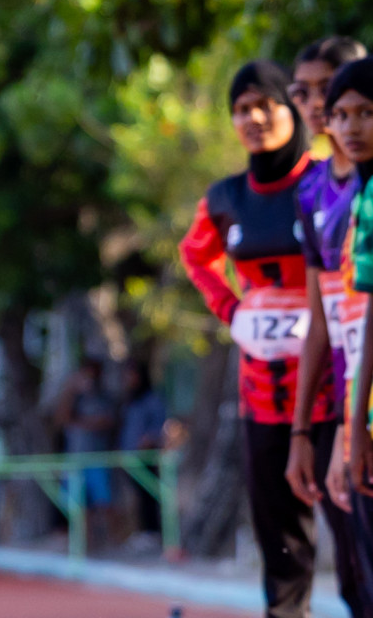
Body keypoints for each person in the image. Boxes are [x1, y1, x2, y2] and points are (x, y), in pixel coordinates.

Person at [181, 60, 332, 618]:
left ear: (289, 107)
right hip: (263, 395)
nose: (253, 118)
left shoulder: (325, 180)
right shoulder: (224, 197)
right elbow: (194, 254)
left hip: (333, 390)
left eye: (265, 104)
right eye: (241, 110)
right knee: (280, 535)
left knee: (351, 518)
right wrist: (230, 307)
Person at [283, 37, 369, 616]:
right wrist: (327, 429)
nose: (335, 117)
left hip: (358, 412)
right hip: (352, 406)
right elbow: (330, 322)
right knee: (357, 572)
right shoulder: (315, 192)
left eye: (361, 109)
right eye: (336, 110)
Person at [327, 60, 373, 602]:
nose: (352, 126)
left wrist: (355, 427)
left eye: (366, 112)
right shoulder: (359, 198)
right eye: (341, 115)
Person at [53, 358, 117, 548]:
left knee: (104, 504)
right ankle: (84, 545)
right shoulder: (74, 398)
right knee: (77, 505)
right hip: (74, 459)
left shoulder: (105, 398)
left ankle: (111, 543)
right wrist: (70, 390)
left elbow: (105, 422)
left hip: (97, 458)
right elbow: (61, 420)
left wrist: (79, 422)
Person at [118, 360, 167, 539]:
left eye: (133, 374)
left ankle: (153, 533)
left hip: (146, 457)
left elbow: (159, 427)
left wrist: (148, 440)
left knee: (149, 496)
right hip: (130, 457)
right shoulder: (130, 400)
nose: (129, 379)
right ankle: (142, 531)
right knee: (137, 497)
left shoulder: (152, 399)